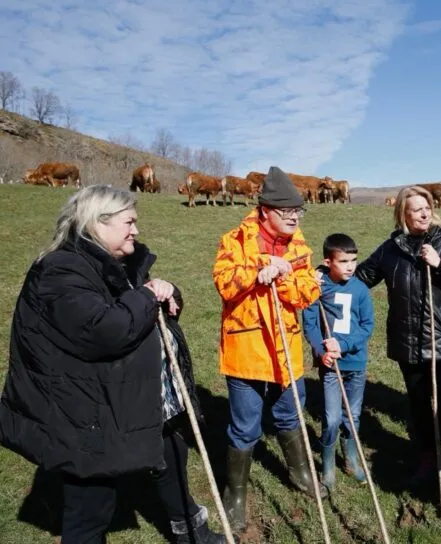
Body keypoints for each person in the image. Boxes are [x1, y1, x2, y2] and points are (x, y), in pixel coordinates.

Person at [0, 185, 224, 544]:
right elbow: (106, 330)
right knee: (91, 507)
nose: (136, 230)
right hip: (84, 414)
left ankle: (191, 531)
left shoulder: (110, 263)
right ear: (97, 223)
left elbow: (140, 301)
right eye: (129, 222)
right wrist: (148, 297)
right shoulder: (60, 271)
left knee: (170, 454)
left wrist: (166, 293)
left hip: (129, 398)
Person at [213, 166, 322, 534]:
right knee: (245, 427)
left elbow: (309, 293)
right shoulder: (234, 241)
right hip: (245, 351)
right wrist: (258, 268)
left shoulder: (301, 247)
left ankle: (299, 472)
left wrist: (285, 275)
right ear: (264, 211)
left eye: (297, 211)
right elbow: (224, 284)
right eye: (285, 211)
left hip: (286, 350)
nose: (293, 217)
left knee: (290, 417)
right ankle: (236, 493)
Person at [355, 185, 441, 491]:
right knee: (419, 405)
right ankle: (427, 460)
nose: (424, 213)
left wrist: (440, 264)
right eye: (416, 209)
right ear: (403, 214)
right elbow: (362, 276)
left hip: (440, 339)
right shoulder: (391, 248)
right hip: (407, 341)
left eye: (427, 207)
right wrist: (327, 272)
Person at [303, 233, 375, 491]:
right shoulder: (317, 286)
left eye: (353, 260)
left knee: (352, 415)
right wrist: (319, 350)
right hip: (330, 365)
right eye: (343, 261)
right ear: (328, 262)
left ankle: (351, 457)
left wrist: (343, 345)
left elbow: (368, 326)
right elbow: (309, 323)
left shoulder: (360, 290)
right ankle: (328, 460)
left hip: (356, 363)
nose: (350, 266)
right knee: (332, 418)